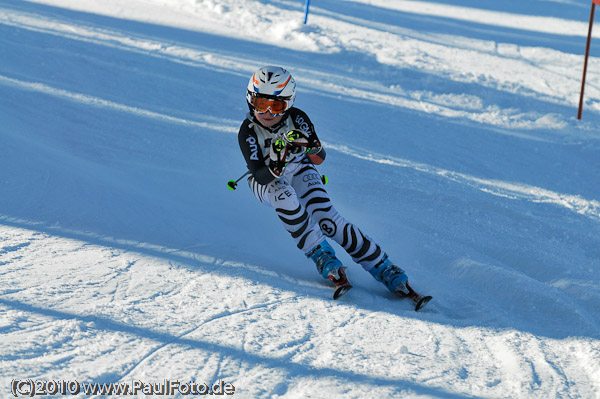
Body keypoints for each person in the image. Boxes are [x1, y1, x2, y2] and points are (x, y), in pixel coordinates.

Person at [237, 65, 411, 298]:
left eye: (276, 105)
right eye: (261, 104)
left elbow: (319, 158)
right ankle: (321, 253)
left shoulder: (297, 118)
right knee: (284, 196)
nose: (268, 112)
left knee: (327, 217)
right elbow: (260, 175)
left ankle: (382, 265)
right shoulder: (248, 131)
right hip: (265, 180)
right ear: (251, 100)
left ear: (288, 103)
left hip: (299, 167)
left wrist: (307, 145)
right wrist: (277, 163)